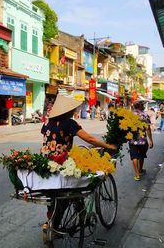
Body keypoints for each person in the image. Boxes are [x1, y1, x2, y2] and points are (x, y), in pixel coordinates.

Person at [40, 95, 117, 231]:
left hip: (46, 162)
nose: (74, 111)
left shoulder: (47, 122)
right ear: (66, 111)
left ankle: (53, 222)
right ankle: (53, 225)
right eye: (72, 109)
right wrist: (108, 146)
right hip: (61, 163)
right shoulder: (69, 123)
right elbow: (89, 138)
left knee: (53, 196)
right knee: (71, 191)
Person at [129, 100, 154, 181]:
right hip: (142, 140)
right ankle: (140, 170)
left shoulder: (130, 115)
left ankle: (137, 175)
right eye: (143, 105)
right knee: (141, 156)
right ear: (139, 106)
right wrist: (151, 140)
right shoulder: (145, 115)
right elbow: (148, 129)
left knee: (134, 157)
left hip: (132, 140)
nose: (144, 106)